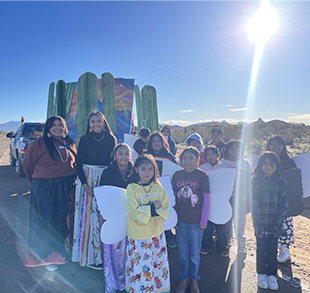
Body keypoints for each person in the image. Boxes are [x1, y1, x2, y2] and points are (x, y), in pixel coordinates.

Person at [22, 115, 77, 271]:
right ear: (48, 128)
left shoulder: (70, 144)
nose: (58, 127)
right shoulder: (38, 144)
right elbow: (27, 166)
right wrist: (39, 182)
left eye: (61, 124)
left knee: (65, 221)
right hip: (46, 188)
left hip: (67, 187)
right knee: (47, 221)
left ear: (65, 128)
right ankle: (47, 257)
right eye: (54, 125)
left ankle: (63, 254)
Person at [72, 111, 117, 269]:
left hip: (105, 179)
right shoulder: (84, 139)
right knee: (86, 217)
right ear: (89, 124)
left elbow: (113, 163)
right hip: (87, 179)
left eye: (99, 121)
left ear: (104, 122)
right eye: (93, 121)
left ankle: (102, 256)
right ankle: (87, 255)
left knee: (101, 217)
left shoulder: (111, 139)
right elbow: (77, 163)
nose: (96, 124)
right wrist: (85, 185)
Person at [125, 154, 170, 293]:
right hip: (139, 235)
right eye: (143, 168)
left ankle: (158, 289)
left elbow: (165, 208)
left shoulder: (159, 187)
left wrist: (154, 210)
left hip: (156, 234)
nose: (147, 172)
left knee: (157, 263)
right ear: (136, 170)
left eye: (150, 169)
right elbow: (133, 211)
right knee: (141, 265)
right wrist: (153, 208)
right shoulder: (132, 188)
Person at [172, 147, 210, 293]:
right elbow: (173, 198)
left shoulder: (202, 176)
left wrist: (204, 220)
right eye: (184, 158)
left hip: (196, 223)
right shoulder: (176, 175)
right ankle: (184, 278)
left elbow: (206, 199)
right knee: (182, 252)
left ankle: (194, 279)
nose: (187, 161)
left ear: (197, 160)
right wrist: (173, 219)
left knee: (194, 253)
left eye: (191, 158)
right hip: (180, 221)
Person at [99, 143, 134, 293]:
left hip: (131, 217)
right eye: (120, 153)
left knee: (129, 250)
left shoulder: (135, 171)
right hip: (113, 216)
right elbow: (103, 196)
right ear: (115, 155)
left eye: (126, 153)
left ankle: (129, 282)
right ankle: (113, 283)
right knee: (113, 250)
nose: (123, 156)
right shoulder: (108, 172)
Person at [252, 152, 288, 291]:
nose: (268, 166)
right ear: (260, 165)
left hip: (275, 223)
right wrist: (258, 221)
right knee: (261, 248)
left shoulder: (281, 182)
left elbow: (284, 203)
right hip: (260, 222)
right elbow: (253, 202)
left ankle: (272, 274)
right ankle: (261, 273)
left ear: (276, 166)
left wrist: (279, 221)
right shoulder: (255, 180)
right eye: (265, 163)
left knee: (273, 250)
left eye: (271, 163)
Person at [266, 136, 297, 263]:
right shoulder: (265, 160)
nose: (276, 147)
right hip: (268, 200)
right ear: (268, 146)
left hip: (285, 200)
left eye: (279, 144)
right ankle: (272, 249)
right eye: (272, 144)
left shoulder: (289, 162)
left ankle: (285, 251)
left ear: (283, 146)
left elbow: (295, 182)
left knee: (285, 224)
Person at [146, 131, 177, 248]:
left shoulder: (169, 156)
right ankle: (153, 237)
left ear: (163, 142)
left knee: (164, 211)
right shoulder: (146, 156)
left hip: (165, 189)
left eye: (159, 140)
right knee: (152, 211)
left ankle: (168, 236)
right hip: (149, 189)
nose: (156, 143)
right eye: (153, 141)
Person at [221, 140, 252, 255]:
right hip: (226, 198)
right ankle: (227, 242)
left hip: (240, 197)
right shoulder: (222, 163)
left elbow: (249, 182)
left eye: (237, 148)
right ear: (227, 150)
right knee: (227, 221)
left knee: (240, 220)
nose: (233, 150)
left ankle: (241, 242)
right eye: (231, 148)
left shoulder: (245, 164)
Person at [200, 145, 229, 257]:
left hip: (220, 201)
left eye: (213, 154)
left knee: (220, 225)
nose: (210, 157)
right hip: (207, 201)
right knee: (207, 225)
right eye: (208, 155)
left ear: (218, 155)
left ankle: (222, 247)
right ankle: (207, 245)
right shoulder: (202, 168)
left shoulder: (224, 167)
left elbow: (228, 183)